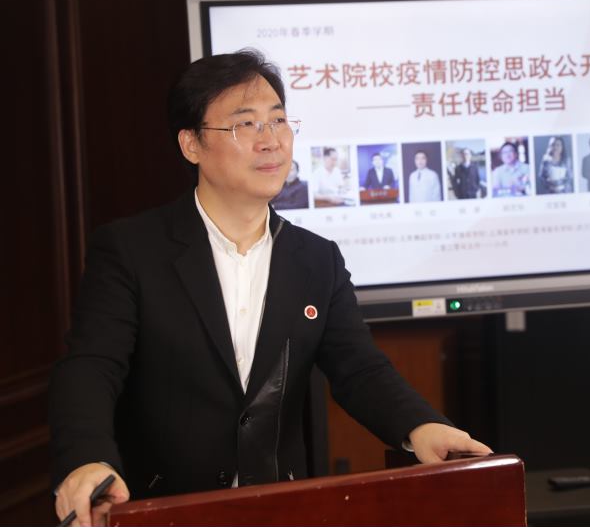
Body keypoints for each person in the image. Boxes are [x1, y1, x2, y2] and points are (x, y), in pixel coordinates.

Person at [49, 50, 491, 526]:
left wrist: (421, 425)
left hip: (281, 508)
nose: (271, 141)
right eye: (246, 124)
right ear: (191, 144)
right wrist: (86, 459)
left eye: (278, 121)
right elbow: (93, 366)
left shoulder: (315, 259)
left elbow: (359, 368)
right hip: (166, 508)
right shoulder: (131, 250)